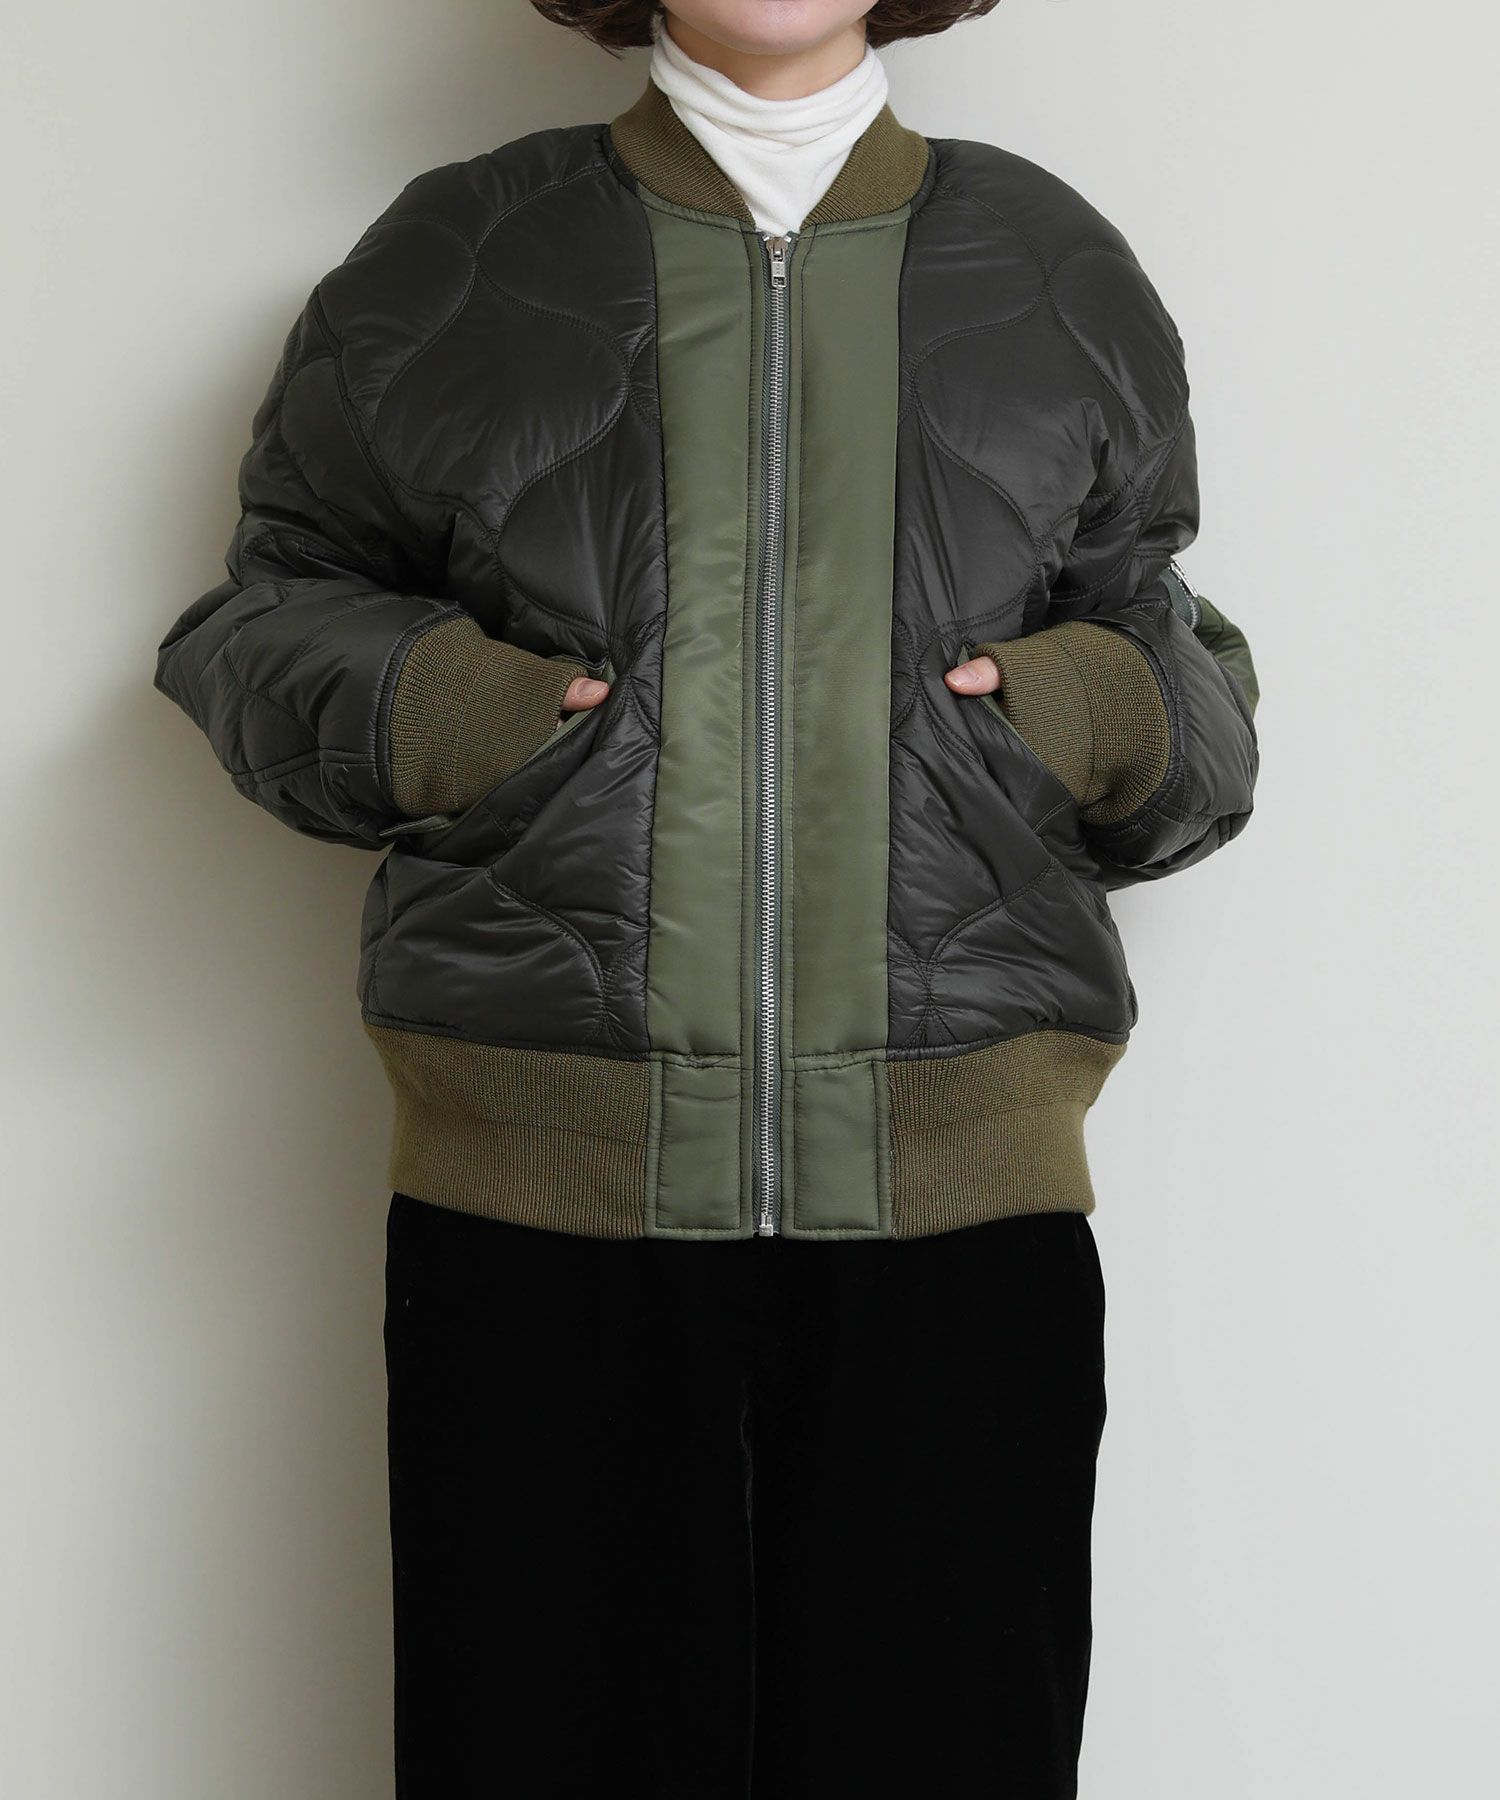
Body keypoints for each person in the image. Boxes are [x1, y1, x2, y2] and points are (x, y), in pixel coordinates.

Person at [153, 1, 1260, 1793]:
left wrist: (1098, 710)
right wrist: (457, 714)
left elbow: (1178, 657)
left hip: (959, 1217)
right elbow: (258, 618)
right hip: (541, 1214)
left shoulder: (1056, 268)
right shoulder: (460, 251)